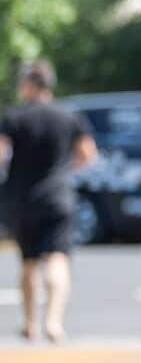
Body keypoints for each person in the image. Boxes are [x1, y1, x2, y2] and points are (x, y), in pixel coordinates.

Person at [0, 59, 98, 342]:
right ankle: (54, 322)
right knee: (57, 259)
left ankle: (29, 322)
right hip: (58, 196)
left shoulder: (14, 117)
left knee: (28, 262)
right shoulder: (69, 117)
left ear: (29, 84)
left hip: (22, 198)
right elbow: (88, 154)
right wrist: (65, 168)